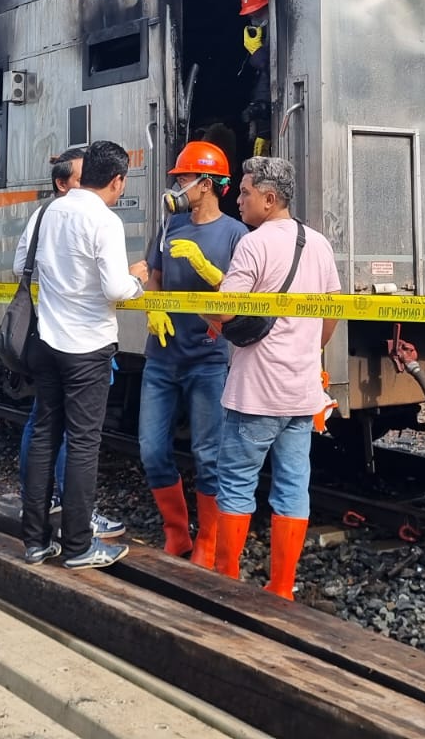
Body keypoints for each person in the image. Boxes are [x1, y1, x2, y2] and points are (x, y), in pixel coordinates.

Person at [205, 156, 340, 599]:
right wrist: (308, 352)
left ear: (268, 198)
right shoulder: (317, 243)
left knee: (237, 483)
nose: (237, 199)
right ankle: (282, 586)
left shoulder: (254, 244)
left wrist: (199, 304)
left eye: (244, 193)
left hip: (255, 393)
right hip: (302, 393)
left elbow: (226, 309)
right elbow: (330, 312)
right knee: (291, 487)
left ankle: (227, 580)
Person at [19, 140, 144, 568]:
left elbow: (26, 266)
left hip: (47, 343)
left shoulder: (51, 210)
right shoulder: (104, 220)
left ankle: (35, 542)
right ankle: (77, 546)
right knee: (84, 445)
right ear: (117, 180)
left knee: (43, 436)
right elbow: (114, 289)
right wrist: (136, 281)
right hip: (87, 349)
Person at [140, 141, 246, 566]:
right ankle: (176, 532)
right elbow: (154, 277)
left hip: (208, 357)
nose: (179, 185)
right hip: (162, 355)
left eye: (184, 179)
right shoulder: (169, 226)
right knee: (151, 448)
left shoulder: (236, 233)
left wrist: (206, 268)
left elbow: (241, 299)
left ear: (207, 184)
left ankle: (208, 541)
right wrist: (154, 306)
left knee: (208, 453)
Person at [238, 0, 272, 157]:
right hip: (264, 121)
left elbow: (275, 72)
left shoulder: (281, 33)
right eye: (251, 15)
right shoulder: (264, 36)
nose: (254, 19)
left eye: (258, 13)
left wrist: (257, 51)